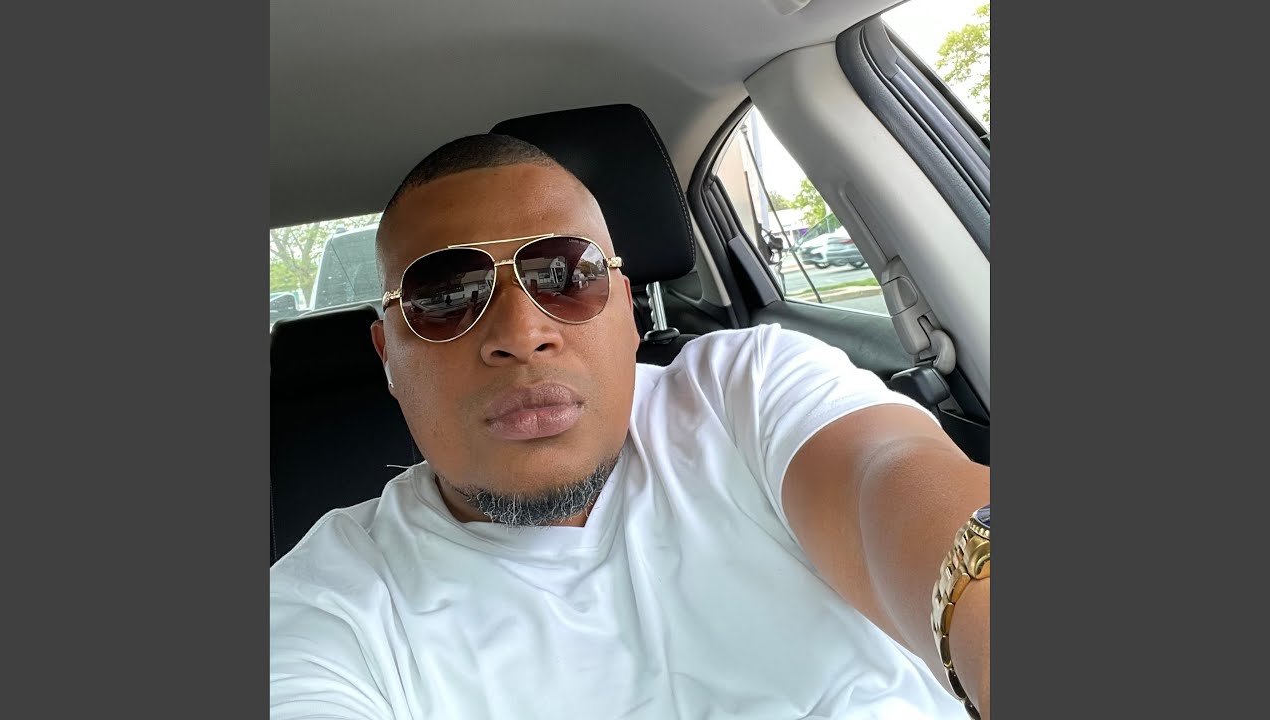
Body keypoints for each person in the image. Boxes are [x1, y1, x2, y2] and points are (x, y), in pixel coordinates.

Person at [270, 134, 991, 719]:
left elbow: (894, 479)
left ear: (626, 308)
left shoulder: (748, 392)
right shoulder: (330, 601)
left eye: (565, 276)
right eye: (446, 297)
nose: (521, 335)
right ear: (388, 356)